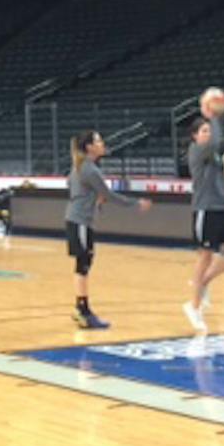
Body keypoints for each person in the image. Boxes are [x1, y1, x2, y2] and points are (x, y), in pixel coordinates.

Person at [66, 130, 152, 329]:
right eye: (98, 141)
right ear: (89, 147)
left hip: (77, 220)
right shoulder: (89, 169)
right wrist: (135, 203)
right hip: (80, 222)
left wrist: (93, 199)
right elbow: (110, 195)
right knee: (83, 266)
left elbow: (77, 188)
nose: (102, 143)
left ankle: (80, 307)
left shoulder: (80, 167)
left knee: (83, 265)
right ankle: (83, 311)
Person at [184, 90, 224, 333]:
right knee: (205, 257)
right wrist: (212, 115)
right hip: (205, 209)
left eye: (208, 130)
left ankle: (203, 283)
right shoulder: (197, 151)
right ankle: (193, 305)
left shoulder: (214, 152)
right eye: (203, 131)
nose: (208, 134)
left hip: (221, 208)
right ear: (194, 136)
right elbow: (216, 138)